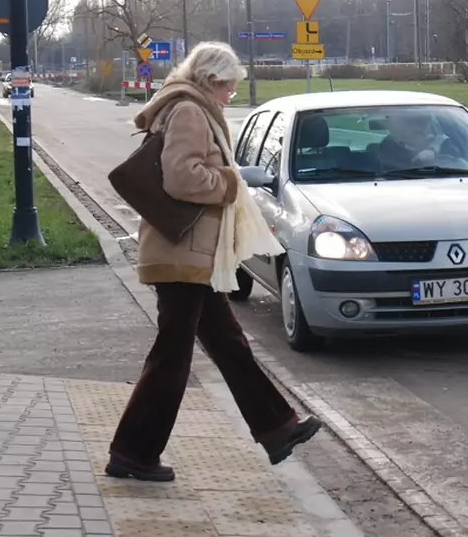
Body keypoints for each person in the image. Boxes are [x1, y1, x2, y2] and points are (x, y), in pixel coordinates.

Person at [106, 41, 322, 483]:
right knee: (173, 357)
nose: (231, 96)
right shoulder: (189, 111)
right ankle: (132, 452)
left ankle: (278, 428)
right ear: (211, 80)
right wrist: (232, 181)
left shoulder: (191, 106)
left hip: (193, 252)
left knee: (227, 343)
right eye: (228, 88)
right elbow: (182, 177)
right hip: (183, 254)